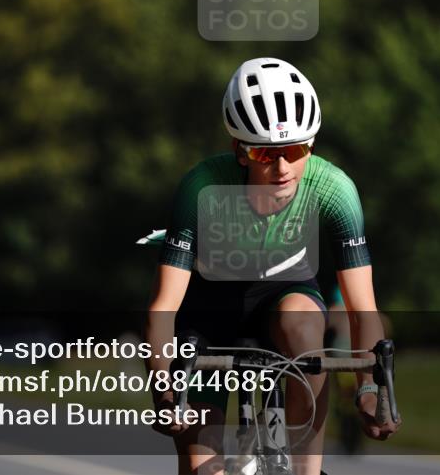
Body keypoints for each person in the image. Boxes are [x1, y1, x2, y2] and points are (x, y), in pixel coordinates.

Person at [145, 58, 399, 475]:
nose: (282, 168)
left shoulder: (335, 190)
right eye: (265, 152)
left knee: (303, 326)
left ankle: (303, 468)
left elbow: (361, 308)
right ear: (239, 151)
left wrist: (368, 389)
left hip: (287, 294)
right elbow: (162, 308)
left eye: (294, 151)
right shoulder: (202, 188)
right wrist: (165, 393)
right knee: (202, 470)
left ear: (311, 146)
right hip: (210, 311)